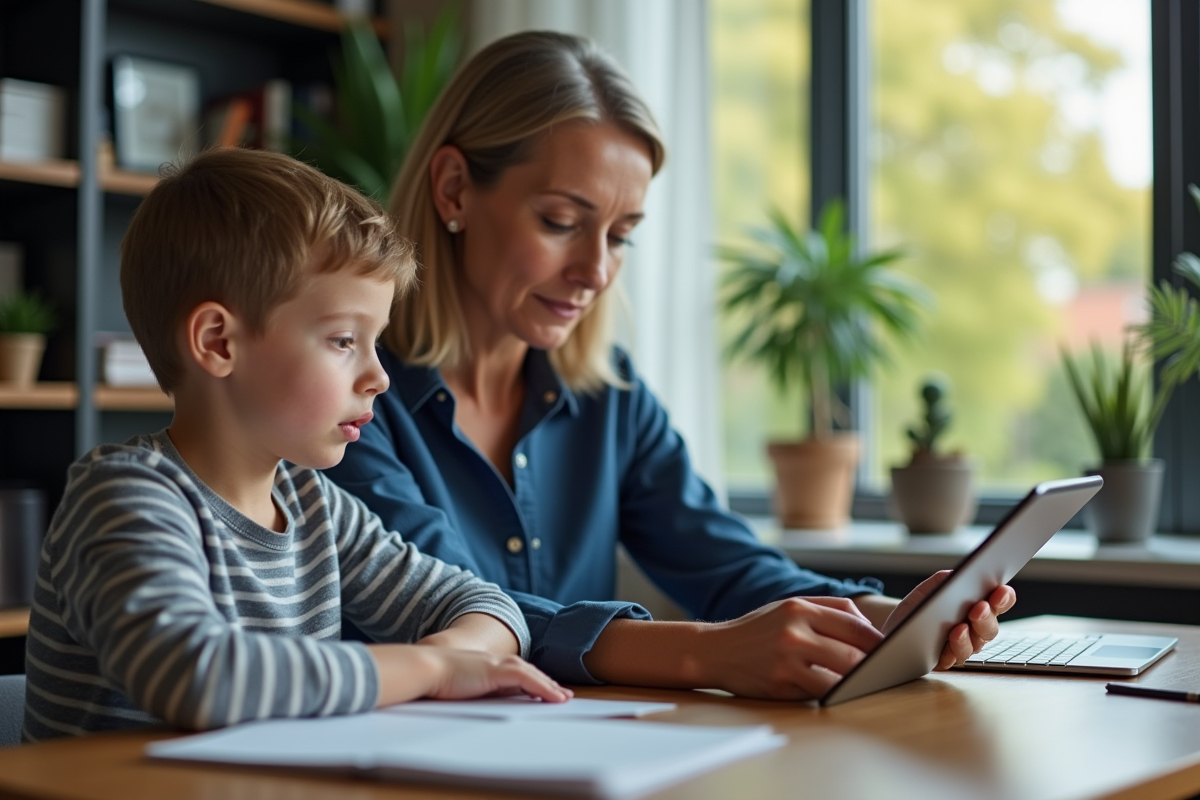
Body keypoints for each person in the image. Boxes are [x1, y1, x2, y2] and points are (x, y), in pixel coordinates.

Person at [325, 31, 1015, 699]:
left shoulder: (608, 396)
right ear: (453, 189)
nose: (596, 271)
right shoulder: (344, 390)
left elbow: (725, 564)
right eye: (561, 222)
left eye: (621, 235)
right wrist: (705, 650)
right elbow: (450, 609)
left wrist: (886, 614)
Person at [22, 148, 569, 742]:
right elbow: (197, 676)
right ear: (219, 342)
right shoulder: (123, 496)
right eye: (343, 340)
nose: (379, 377)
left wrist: (456, 653)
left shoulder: (315, 505)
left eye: (376, 342)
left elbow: (485, 604)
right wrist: (432, 666)